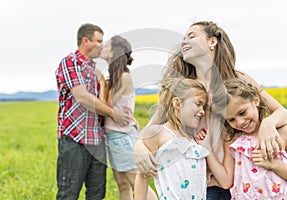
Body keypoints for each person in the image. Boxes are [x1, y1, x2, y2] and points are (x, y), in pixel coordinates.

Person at [134, 21, 287, 200]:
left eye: (191, 36)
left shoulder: (237, 79)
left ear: (212, 42)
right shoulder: (183, 88)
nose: (184, 42)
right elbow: (151, 128)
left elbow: (282, 112)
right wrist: (139, 148)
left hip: (243, 183)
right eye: (183, 39)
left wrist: (268, 124)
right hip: (203, 186)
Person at [55, 23, 130, 200]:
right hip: (74, 139)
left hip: (96, 140)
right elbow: (82, 97)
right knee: (69, 193)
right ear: (85, 40)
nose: (101, 46)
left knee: (97, 194)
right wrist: (114, 114)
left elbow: (101, 99)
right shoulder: (70, 62)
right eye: (99, 41)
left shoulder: (94, 69)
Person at [205, 78, 287, 199]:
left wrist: (275, 165)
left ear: (256, 100)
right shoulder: (233, 140)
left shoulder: (283, 133)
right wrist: (207, 148)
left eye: (242, 112)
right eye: (231, 120)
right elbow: (226, 181)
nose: (240, 122)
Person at [98, 35, 157, 200]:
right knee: (122, 184)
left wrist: (102, 83)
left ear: (113, 53)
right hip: (115, 136)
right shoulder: (116, 76)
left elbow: (105, 105)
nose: (103, 46)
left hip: (122, 137)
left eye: (107, 45)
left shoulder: (123, 77)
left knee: (137, 183)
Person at [134, 77, 210, 199]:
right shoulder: (158, 133)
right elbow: (142, 177)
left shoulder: (192, 138)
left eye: (204, 107)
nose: (202, 111)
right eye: (198, 104)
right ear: (177, 103)